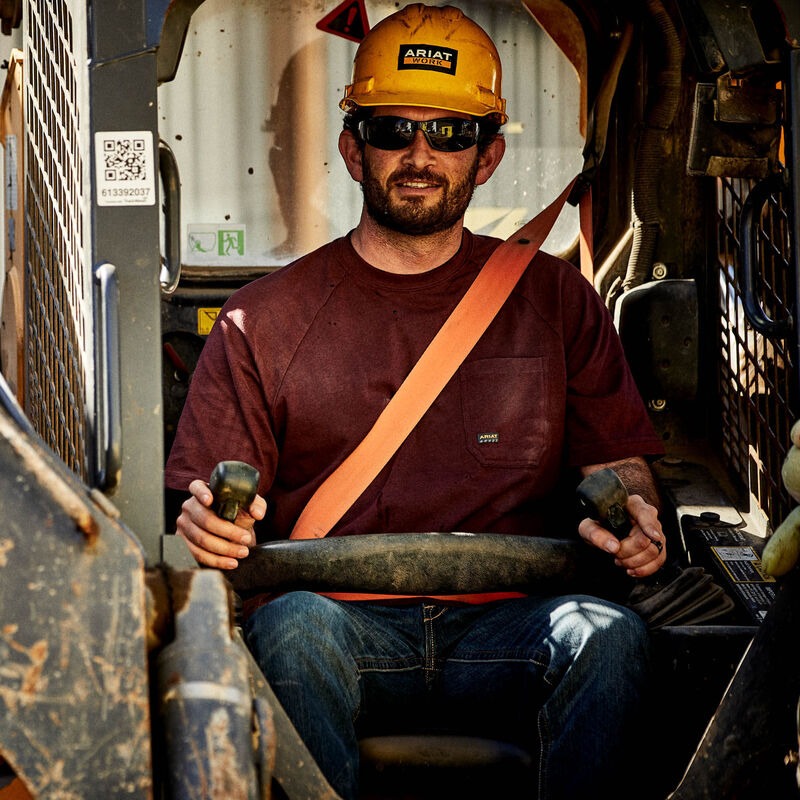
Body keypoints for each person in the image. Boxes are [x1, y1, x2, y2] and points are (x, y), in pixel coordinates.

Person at [165, 4, 666, 798]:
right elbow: (207, 502)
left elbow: (616, 461)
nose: (421, 155)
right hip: (336, 619)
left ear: (490, 155)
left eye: (452, 134)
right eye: (393, 130)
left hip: (515, 620)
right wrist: (207, 525)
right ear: (353, 149)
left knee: (611, 640)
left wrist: (636, 516)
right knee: (288, 633)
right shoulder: (262, 319)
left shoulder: (558, 300)